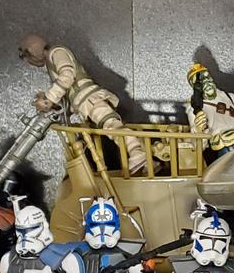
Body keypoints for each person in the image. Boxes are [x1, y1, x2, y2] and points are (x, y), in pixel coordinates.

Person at [19, 35, 148, 174]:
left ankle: (138, 153)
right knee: (110, 127)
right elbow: (68, 93)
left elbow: (68, 75)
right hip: (84, 101)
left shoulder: (57, 53)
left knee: (112, 126)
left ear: (34, 51)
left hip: (90, 98)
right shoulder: (51, 63)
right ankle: (147, 163)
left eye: (28, 57)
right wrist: (54, 104)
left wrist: (49, 98)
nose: (30, 62)